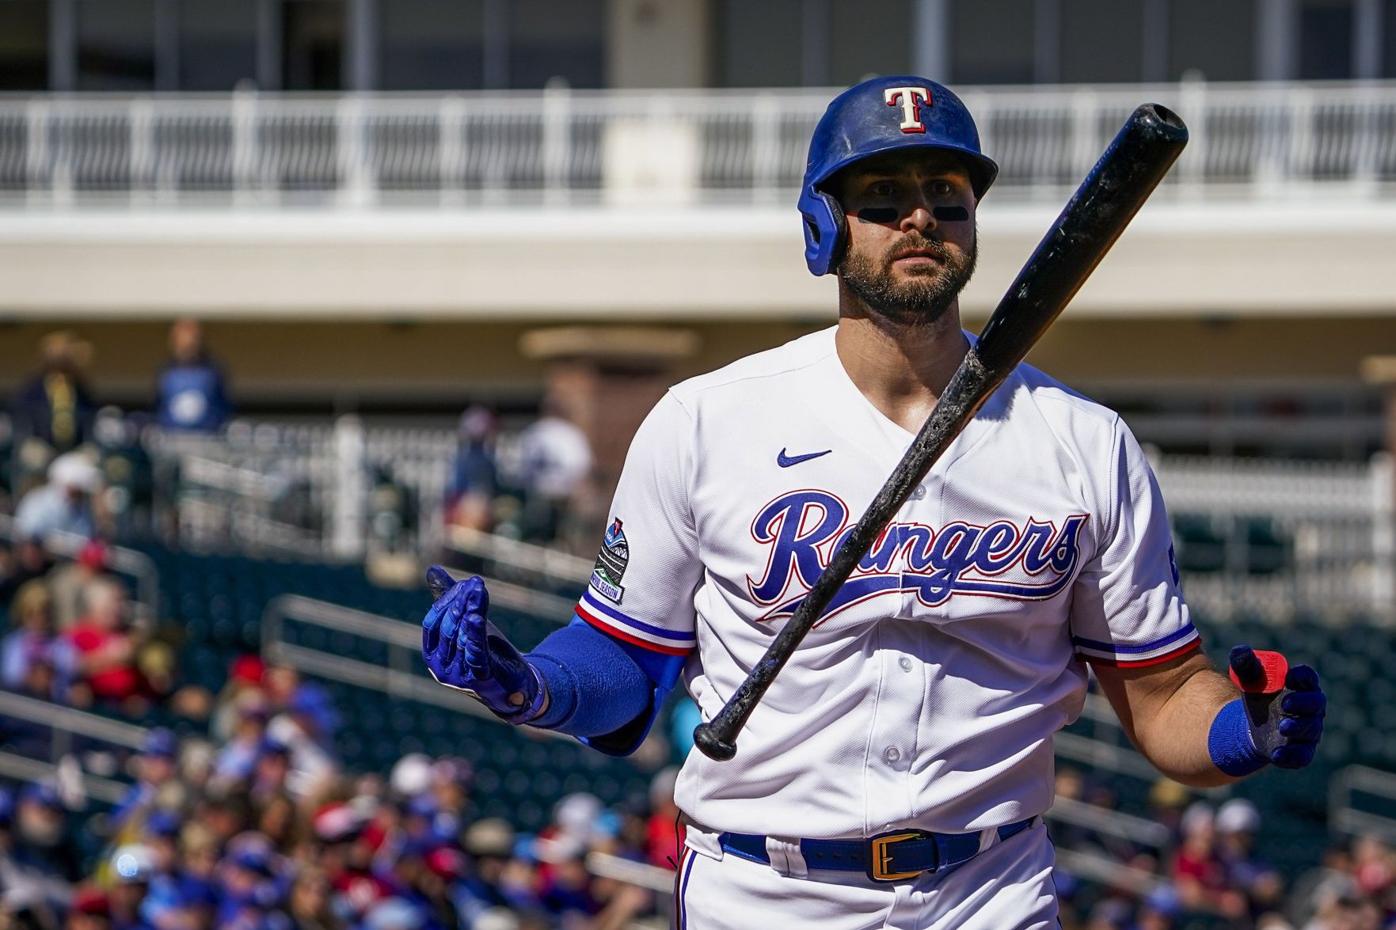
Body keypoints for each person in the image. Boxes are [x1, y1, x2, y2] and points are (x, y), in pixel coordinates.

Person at [419, 75, 1327, 929]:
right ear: (825, 227)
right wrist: (532, 684)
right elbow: (625, 656)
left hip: (990, 889)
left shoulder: (1084, 441)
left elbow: (1164, 696)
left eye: (947, 192)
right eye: (884, 197)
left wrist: (1241, 728)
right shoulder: (707, 421)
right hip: (765, 891)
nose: (920, 216)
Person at [154, 318, 230, 433]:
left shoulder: (212, 372)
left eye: (192, 340)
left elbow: (223, 406)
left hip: (206, 438)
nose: (188, 346)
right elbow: (158, 405)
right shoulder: (166, 372)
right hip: (173, 437)